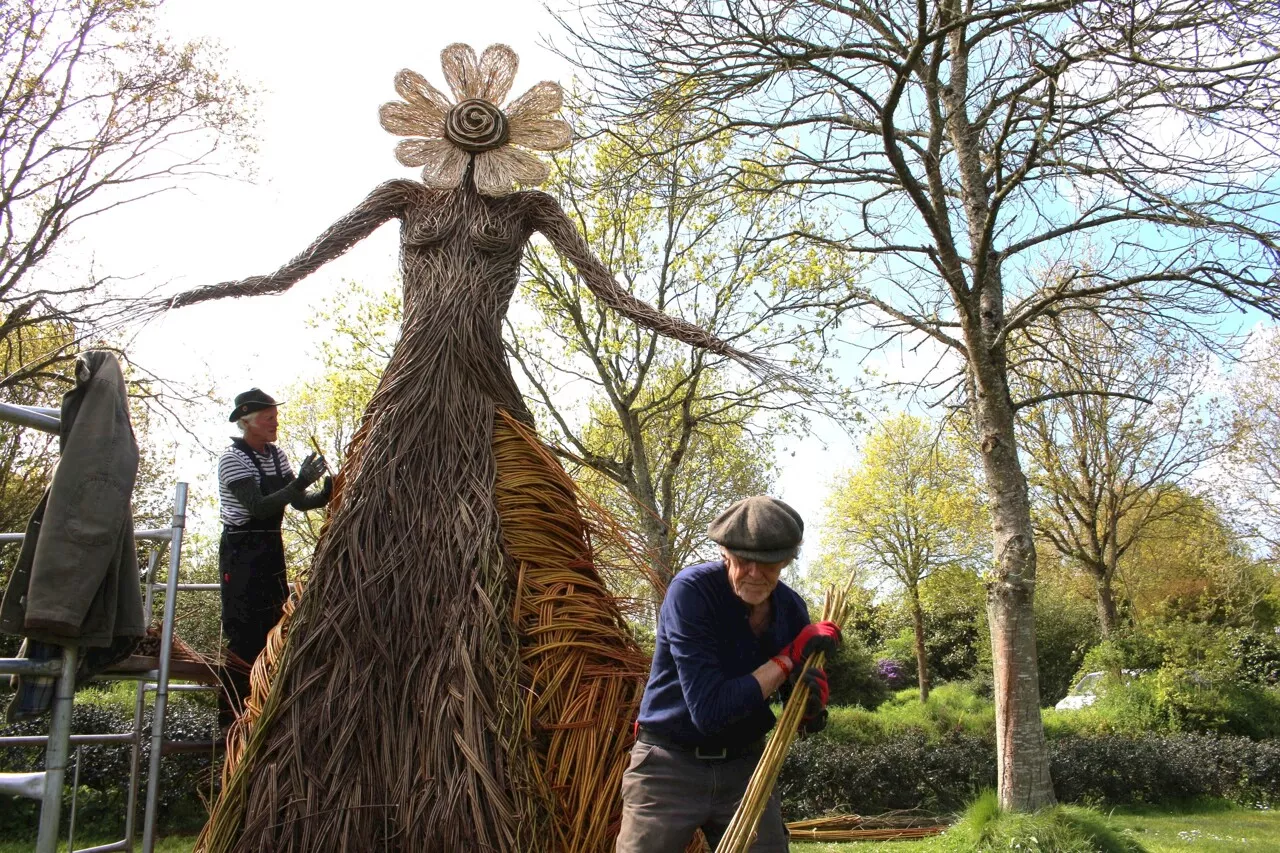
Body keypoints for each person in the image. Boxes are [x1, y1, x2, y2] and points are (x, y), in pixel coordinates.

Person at [616, 496, 842, 853]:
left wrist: (810, 706)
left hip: (746, 768)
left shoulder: (791, 609)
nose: (754, 573)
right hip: (667, 767)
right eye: (742, 561)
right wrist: (786, 660)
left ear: (785, 560)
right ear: (724, 553)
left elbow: (796, 712)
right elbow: (710, 712)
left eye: (767, 564)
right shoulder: (691, 593)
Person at [217, 388, 330, 722]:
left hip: (270, 547)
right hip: (242, 550)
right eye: (269, 418)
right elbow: (259, 506)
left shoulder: (275, 455)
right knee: (243, 630)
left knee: (274, 620)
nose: (274, 423)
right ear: (248, 421)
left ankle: (268, 703)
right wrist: (300, 483)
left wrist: (325, 492)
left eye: (275, 418)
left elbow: (296, 502)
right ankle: (234, 716)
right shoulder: (232, 459)